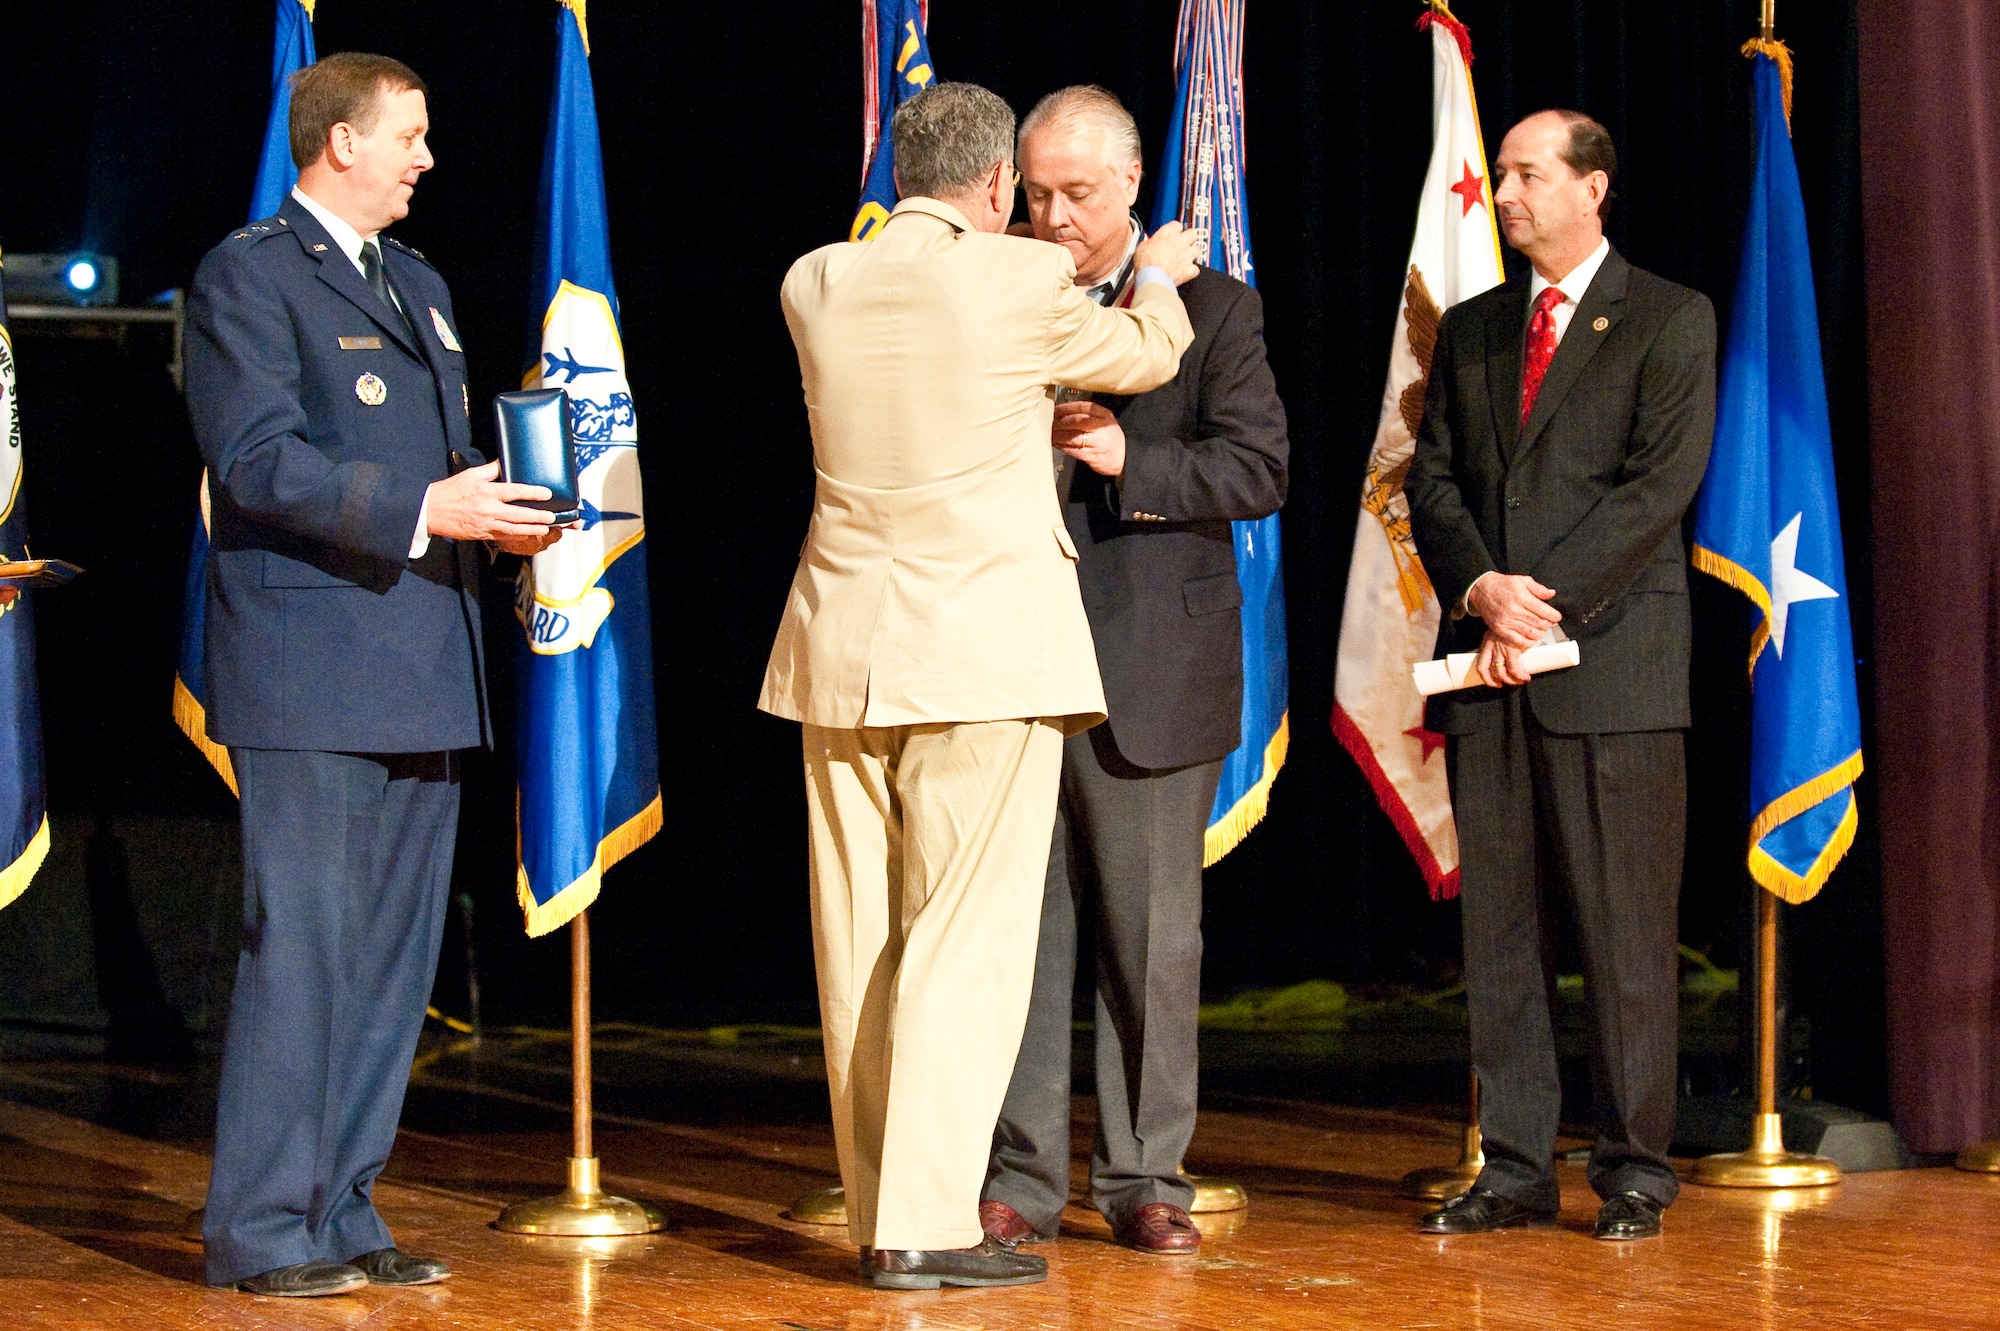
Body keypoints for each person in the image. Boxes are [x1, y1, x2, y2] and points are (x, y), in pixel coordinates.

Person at [758, 81, 1201, 1290]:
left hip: (839, 654)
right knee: (965, 935)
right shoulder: (1017, 280)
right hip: (977, 657)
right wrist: (1156, 266)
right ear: (998, 186)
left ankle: (877, 1208)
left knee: (859, 939)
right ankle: (923, 1219)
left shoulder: (815, 281)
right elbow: (1150, 351)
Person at [185, 53, 565, 1296]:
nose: (425, 156)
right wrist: (424, 506)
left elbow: (434, 458)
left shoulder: (417, 282)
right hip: (312, 670)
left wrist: (502, 508)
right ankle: (260, 1225)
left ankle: (341, 1202)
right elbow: (254, 462)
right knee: (303, 947)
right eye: (406, 134)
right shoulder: (247, 275)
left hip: (420, 663)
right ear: (338, 142)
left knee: (394, 960)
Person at [979, 86, 1288, 1258]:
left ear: (1130, 185)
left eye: (1077, 193)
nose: (1052, 215)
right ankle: (1017, 1172)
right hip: (1006, 663)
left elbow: (1257, 468)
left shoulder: (1210, 311)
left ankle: (1144, 1170)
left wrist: (1129, 457)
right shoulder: (994, 299)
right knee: (1016, 937)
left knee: (1148, 940)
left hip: (1148, 667)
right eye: (1036, 192)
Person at [1405, 109, 1715, 1241]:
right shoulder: (1478, 325)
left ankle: (1633, 1167)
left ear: (1593, 187)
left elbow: (1655, 486)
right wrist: (1483, 588)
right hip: (1492, 670)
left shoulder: (1668, 317)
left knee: (1622, 933)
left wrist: (1539, 598)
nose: (1505, 193)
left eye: (1528, 175)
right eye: (1500, 177)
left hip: (1611, 667)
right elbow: (1430, 478)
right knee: (1499, 933)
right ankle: (1515, 1164)